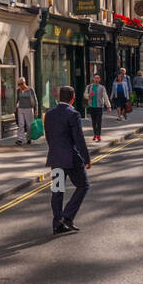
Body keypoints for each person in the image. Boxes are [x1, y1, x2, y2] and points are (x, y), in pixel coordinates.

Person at [44, 84, 91, 236]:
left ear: (58, 98)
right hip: (72, 160)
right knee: (83, 186)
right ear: (73, 99)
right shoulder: (73, 114)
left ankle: (57, 224)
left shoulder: (49, 114)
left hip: (56, 159)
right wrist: (86, 158)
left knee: (57, 191)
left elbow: (48, 137)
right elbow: (79, 139)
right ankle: (68, 216)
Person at [83, 72, 111, 142]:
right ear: (93, 79)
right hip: (92, 106)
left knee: (99, 121)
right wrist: (89, 96)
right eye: (95, 78)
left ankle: (98, 135)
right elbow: (85, 95)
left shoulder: (102, 87)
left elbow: (105, 97)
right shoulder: (89, 87)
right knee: (93, 122)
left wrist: (108, 106)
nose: (96, 79)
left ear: (100, 79)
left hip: (99, 107)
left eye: (98, 78)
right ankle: (95, 134)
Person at [14, 77, 38, 146]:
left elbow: (35, 100)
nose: (20, 85)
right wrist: (15, 106)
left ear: (24, 83)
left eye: (21, 84)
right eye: (19, 84)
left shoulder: (30, 90)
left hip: (29, 108)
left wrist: (36, 109)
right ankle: (20, 139)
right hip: (20, 109)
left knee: (29, 125)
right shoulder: (18, 90)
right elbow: (17, 99)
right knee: (21, 124)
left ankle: (28, 138)